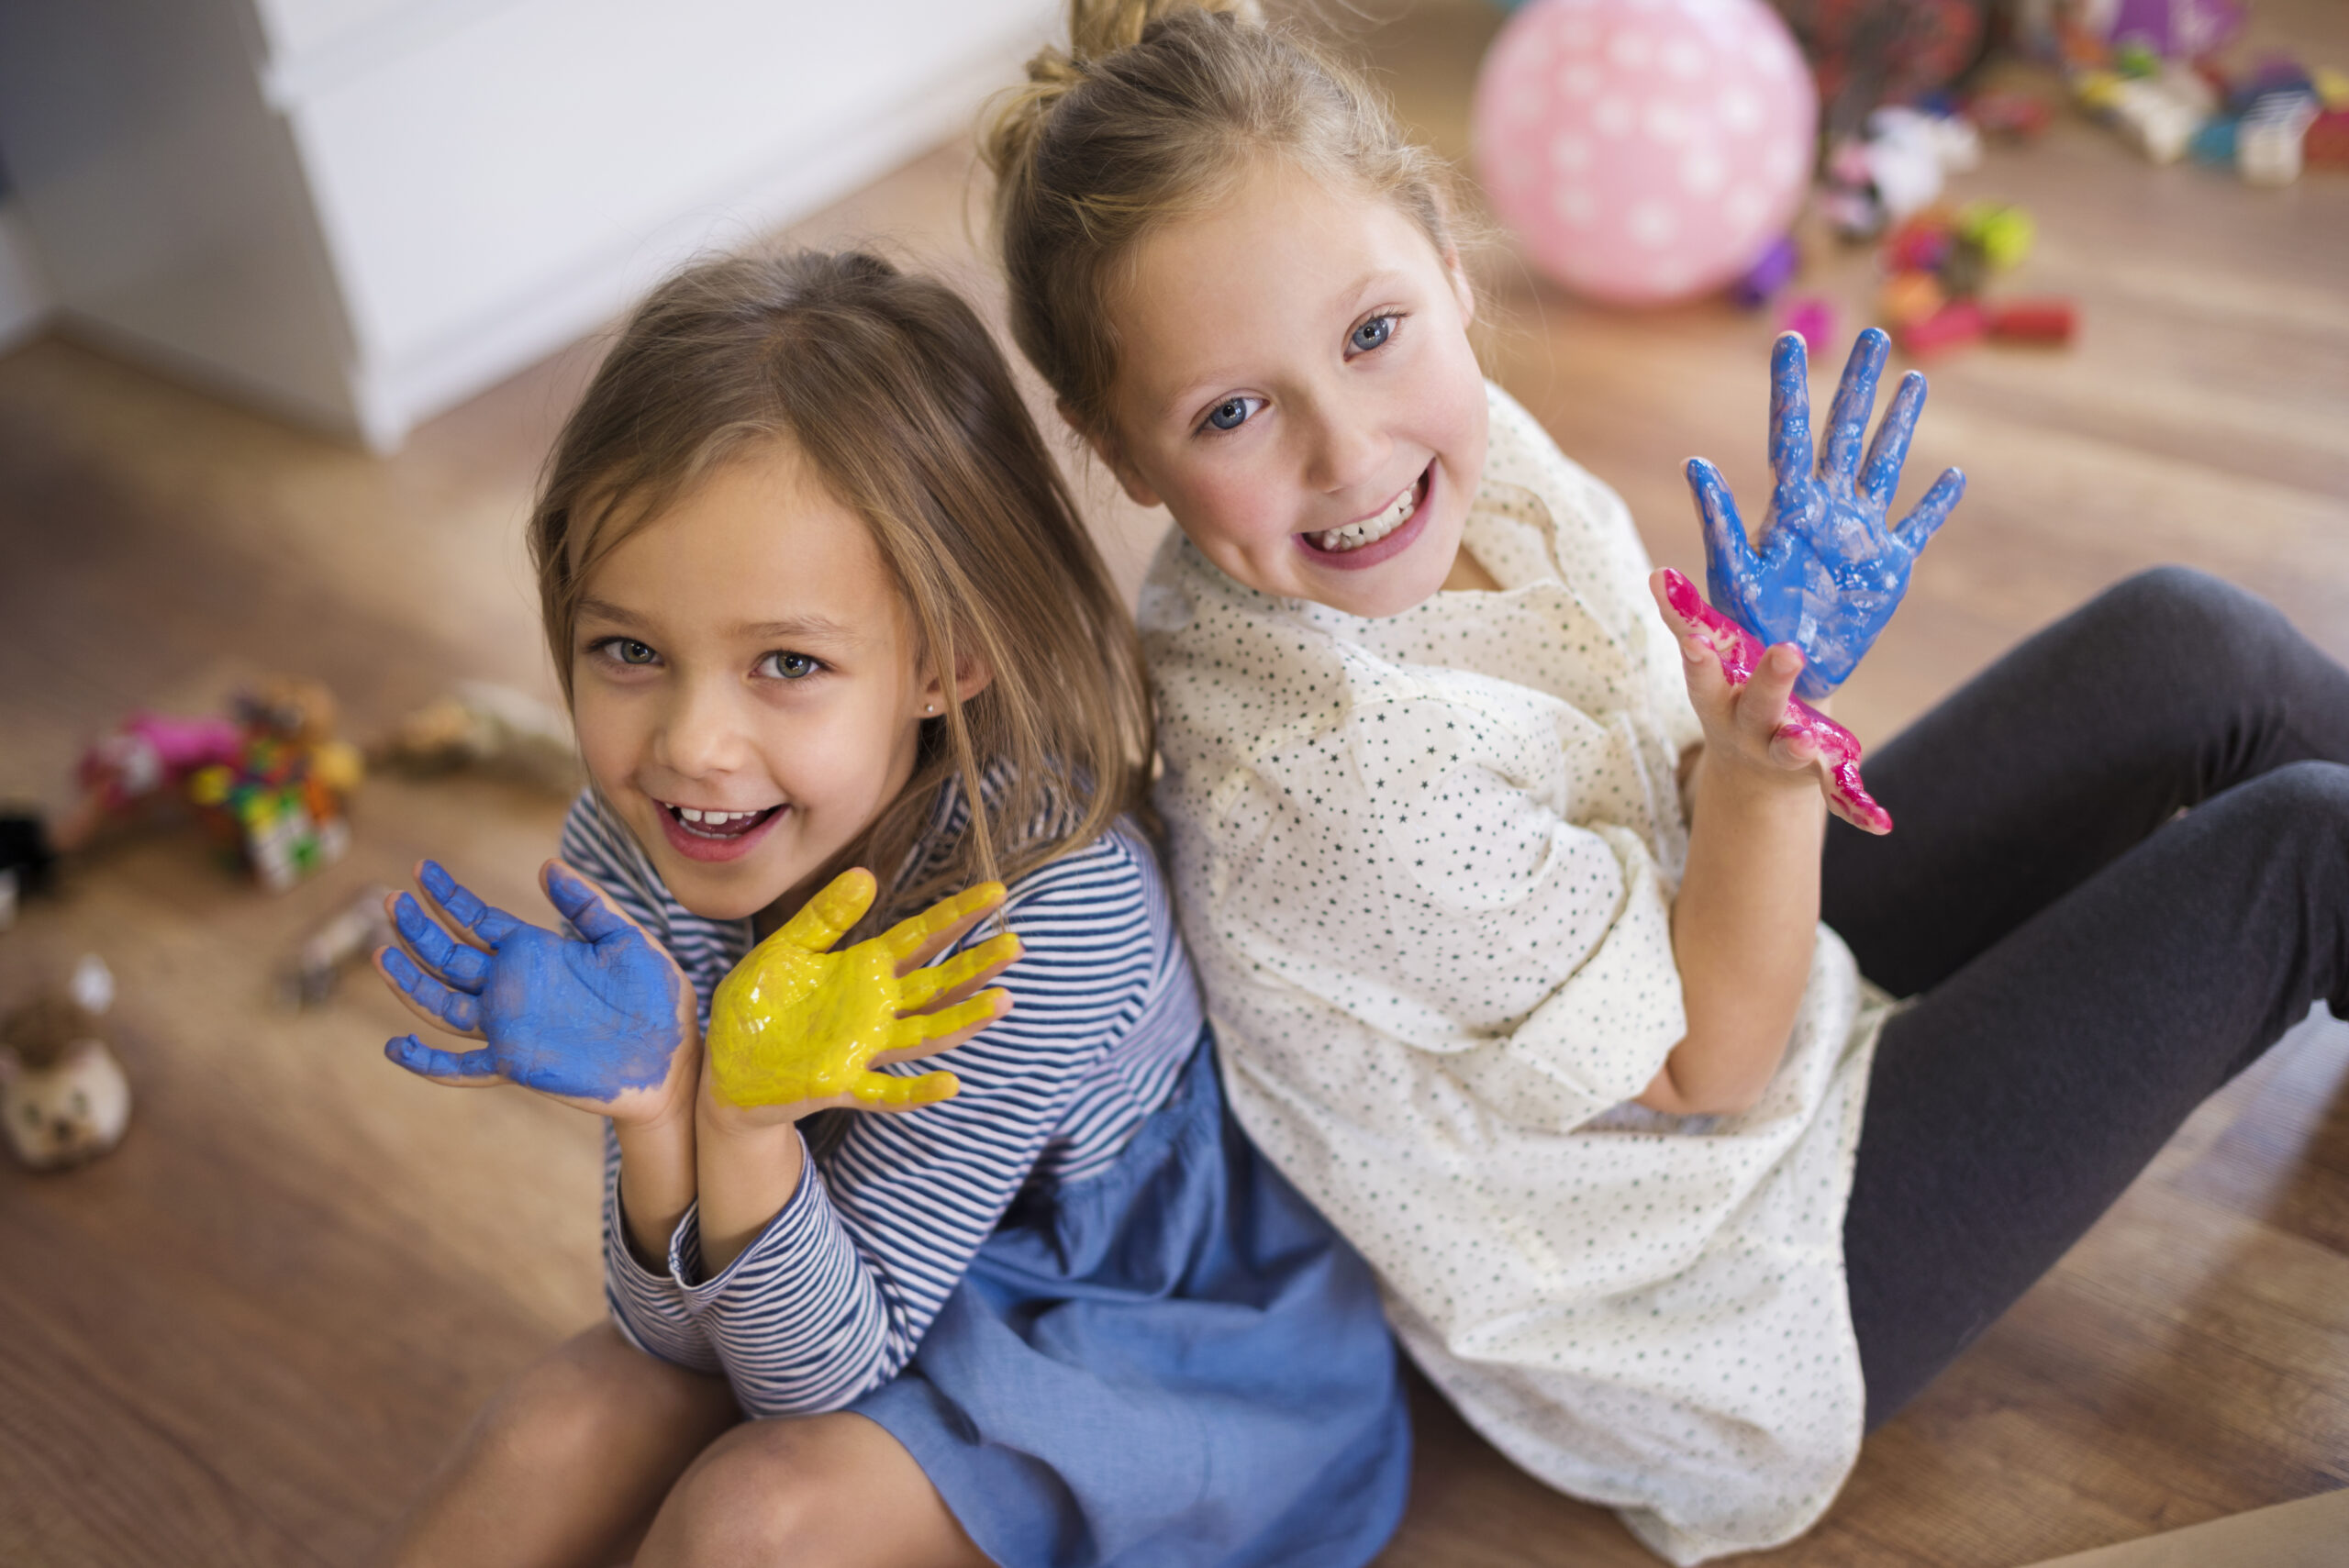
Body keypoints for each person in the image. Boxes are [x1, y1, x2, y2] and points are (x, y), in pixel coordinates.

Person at [981, 3, 2349, 1562]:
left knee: (2197, 638)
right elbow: (1715, 1072)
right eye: (1232, 411)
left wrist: (1739, 716)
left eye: (1371, 334)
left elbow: (1663, 776)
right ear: (1119, 450)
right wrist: (1767, 780)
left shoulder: (1467, 446)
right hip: (1722, 1269)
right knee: (2305, 856)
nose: (1348, 451)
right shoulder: (1338, 774)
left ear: (1446, 257)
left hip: (1734, 960)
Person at [368, 247, 1409, 1568]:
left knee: (755, 1517)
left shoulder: (1042, 925)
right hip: (829, 1283)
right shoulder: (639, 849)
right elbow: (675, 1335)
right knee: (564, 1423)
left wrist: (737, 1125)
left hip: (1132, 1337)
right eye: (626, 649)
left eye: (787, 663)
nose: (691, 744)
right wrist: (660, 1104)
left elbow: (812, 1384)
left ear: (946, 658)